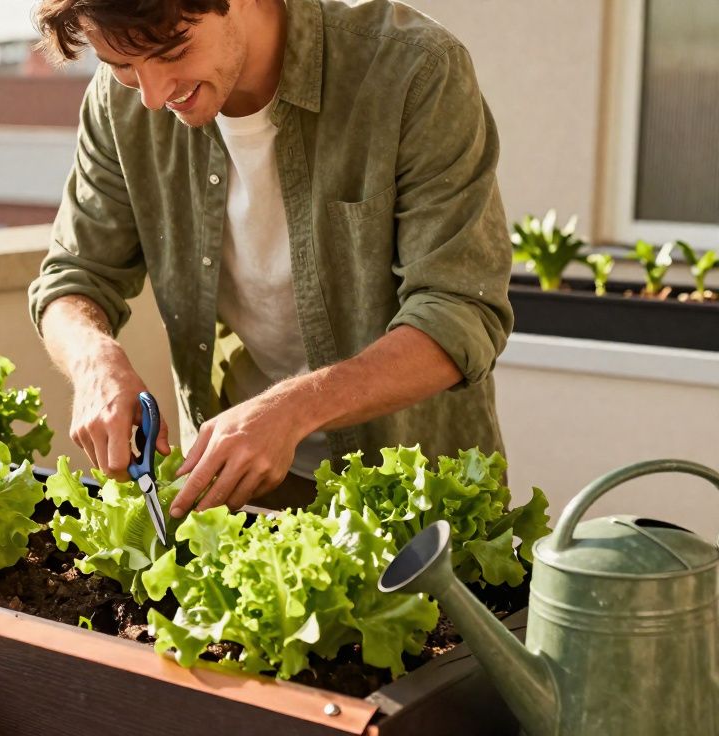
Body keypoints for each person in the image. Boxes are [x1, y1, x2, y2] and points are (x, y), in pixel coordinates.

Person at [27, 0, 513, 519]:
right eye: (120, 66)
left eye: (171, 51)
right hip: (232, 490)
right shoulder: (117, 106)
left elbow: (460, 313)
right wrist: (94, 362)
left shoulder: (414, 69)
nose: (152, 95)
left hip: (410, 495)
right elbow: (72, 277)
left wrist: (293, 410)